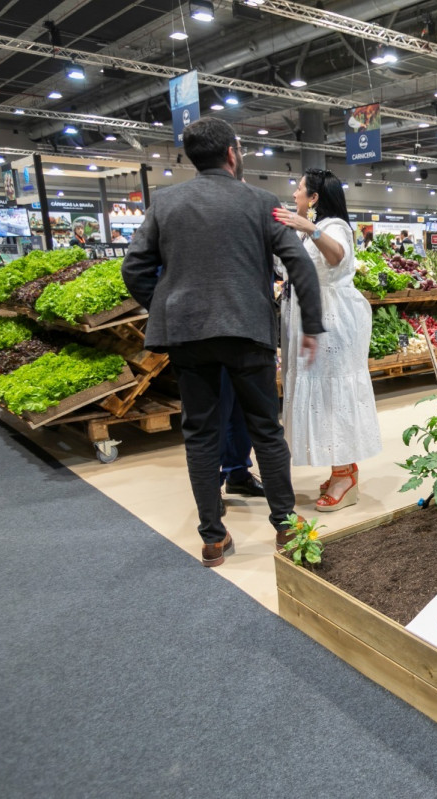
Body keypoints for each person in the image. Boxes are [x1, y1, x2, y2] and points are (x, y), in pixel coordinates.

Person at [121, 117, 324, 568]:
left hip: (188, 336)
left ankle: (212, 537)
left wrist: (166, 306)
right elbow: (299, 264)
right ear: (233, 152)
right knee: (266, 430)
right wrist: (311, 324)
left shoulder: (166, 203)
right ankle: (287, 530)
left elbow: (134, 267)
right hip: (247, 329)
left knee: (200, 432)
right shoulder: (260, 202)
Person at [273, 168, 382, 512]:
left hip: (333, 320)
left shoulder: (335, 227)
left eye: (300, 189)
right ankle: (343, 468)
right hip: (310, 316)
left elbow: (337, 255)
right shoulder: (308, 230)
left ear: (315, 197)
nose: (294, 195)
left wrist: (310, 227)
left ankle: (344, 476)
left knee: (334, 394)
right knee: (322, 393)